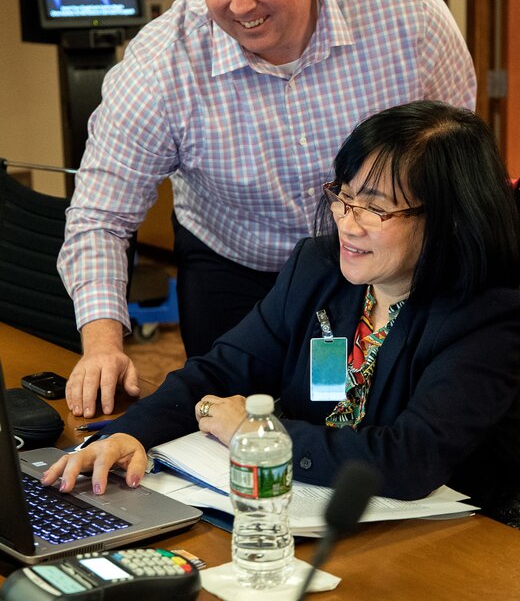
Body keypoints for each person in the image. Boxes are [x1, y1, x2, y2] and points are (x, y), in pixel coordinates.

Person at [58, 0, 477, 419]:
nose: (239, 3)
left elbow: (458, 165)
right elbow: (100, 217)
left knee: (341, 414)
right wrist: (103, 345)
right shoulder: (163, 65)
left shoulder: (406, 15)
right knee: (226, 417)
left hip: (378, 270)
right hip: (235, 266)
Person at [45, 101, 520, 515]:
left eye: (375, 209)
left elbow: (410, 460)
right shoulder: (317, 269)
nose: (347, 224)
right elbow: (222, 369)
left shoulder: (488, 315)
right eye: (344, 196)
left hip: (453, 540)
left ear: (448, 218)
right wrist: (130, 434)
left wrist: (260, 436)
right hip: (313, 510)